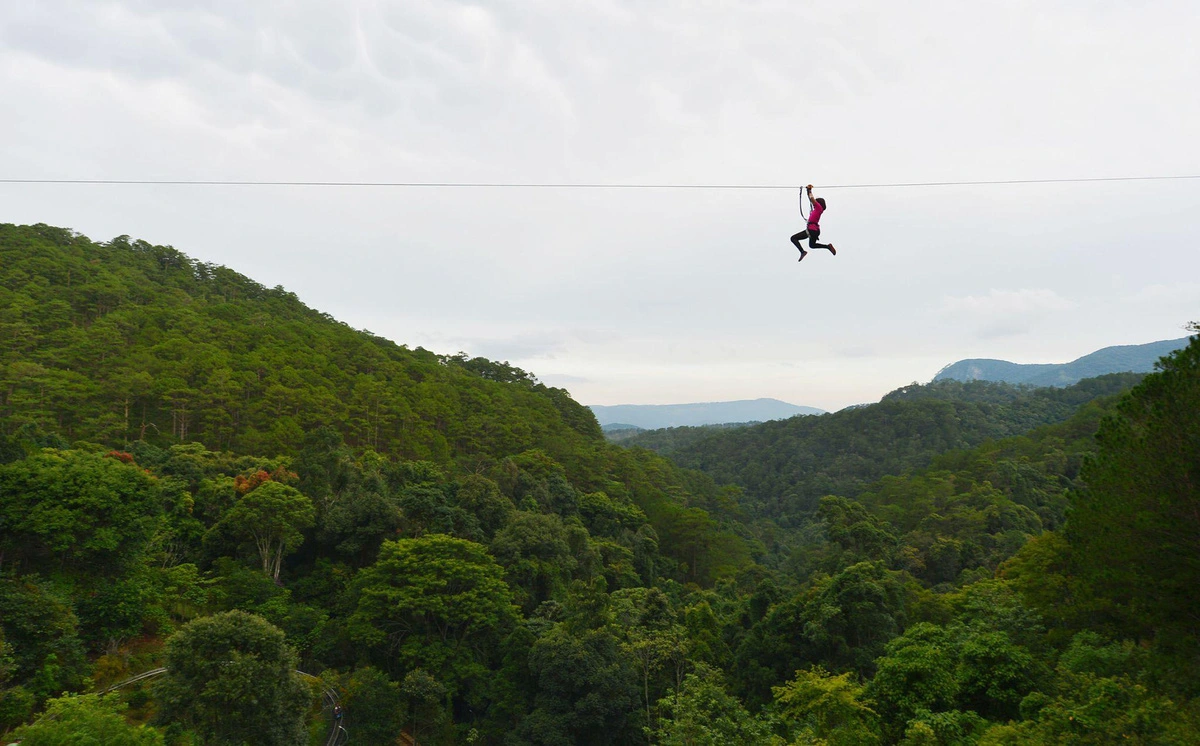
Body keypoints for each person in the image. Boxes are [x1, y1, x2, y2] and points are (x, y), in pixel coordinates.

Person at [790, 184, 837, 262]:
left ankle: (802, 252)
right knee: (812, 245)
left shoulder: (819, 208)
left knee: (793, 238)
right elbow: (811, 199)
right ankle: (828, 247)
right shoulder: (817, 210)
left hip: (812, 230)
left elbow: (812, 199)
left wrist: (809, 190)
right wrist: (807, 191)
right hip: (814, 230)